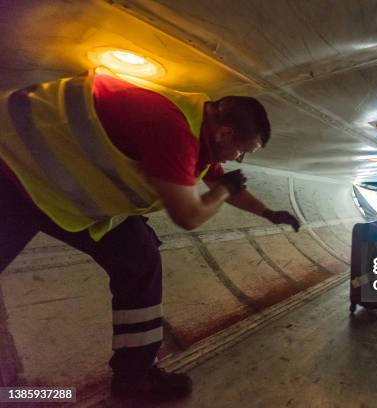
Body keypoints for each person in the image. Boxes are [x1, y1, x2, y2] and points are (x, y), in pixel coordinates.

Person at [0, 69, 300, 401]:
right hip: (13, 167)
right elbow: (189, 215)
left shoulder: (199, 134)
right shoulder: (172, 131)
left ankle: (135, 376)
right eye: (243, 151)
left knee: (139, 256)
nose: (239, 158)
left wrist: (269, 213)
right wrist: (223, 192)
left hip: (62, 193)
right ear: (226, 134)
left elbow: (222, 183)